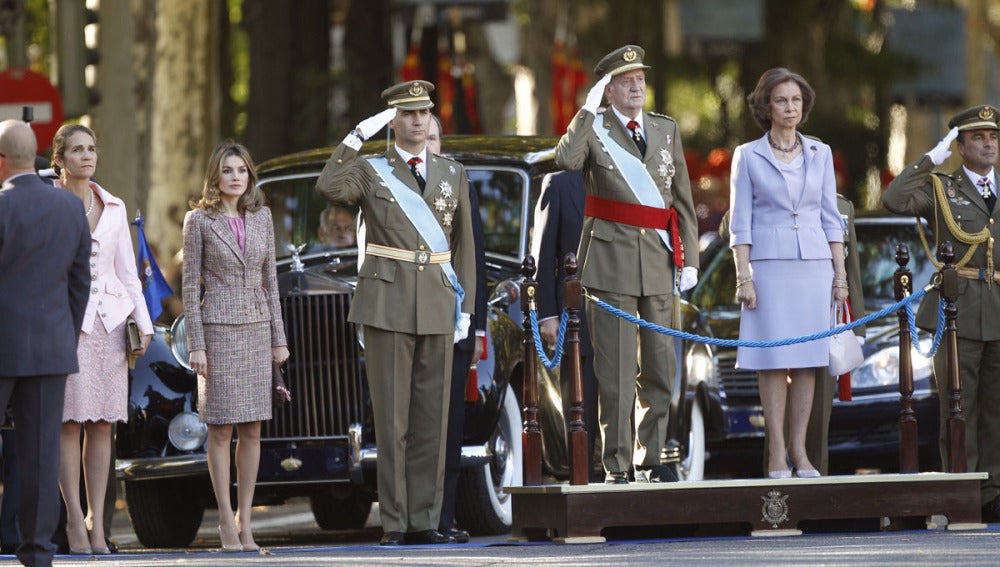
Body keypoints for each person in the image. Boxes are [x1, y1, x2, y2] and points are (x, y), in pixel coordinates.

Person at [315, 80, 476, 545]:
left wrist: (462, 305)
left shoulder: (452, 172)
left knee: (430, 419)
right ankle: (396, 521)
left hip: (438, 301)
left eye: (424, 112)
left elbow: (463, 244)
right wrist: (356, 135)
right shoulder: (371, 169)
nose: (418, 120)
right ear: (393, 121)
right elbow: (328, 186)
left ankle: (425, 519)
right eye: (407, 114)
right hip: (387, 302)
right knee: (393, 421)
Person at [554, 45, 700, 484]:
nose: (636, 86)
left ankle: (651, 458)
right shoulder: (593, 130)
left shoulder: (665, 129)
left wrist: (689, 258)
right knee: (615, 372)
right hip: (610, 260)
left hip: (658, 259)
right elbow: (566, 160)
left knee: (660, 366)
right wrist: (585, 109)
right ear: (608, 88)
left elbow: (684, 203)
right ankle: (616, 464)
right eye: (625, 80)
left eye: (640, 78)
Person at [882, 104, 1000, 520]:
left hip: (998, 308)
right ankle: (960, 489)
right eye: (978, 138)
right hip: (958, 309)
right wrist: (932, 157)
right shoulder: (940, 187)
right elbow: (893, 199)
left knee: (996, 408)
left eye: (993, 137)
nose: (988, 144)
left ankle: (994, 493)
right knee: (959, 406)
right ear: (961, 146)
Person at [729, 68, 847, 479]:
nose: (790, 108)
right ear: (766, 106)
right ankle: (777, 453)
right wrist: (743, 277)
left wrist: (840, 275)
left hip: (814, 265)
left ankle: (801, 452)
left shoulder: (821, 152)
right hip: (768, 267)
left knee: (809, 359)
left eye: (796, 100)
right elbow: (739, 225)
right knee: (774, 361)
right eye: (781, 100)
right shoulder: (747, 154)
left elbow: (832, 219)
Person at [49, 124, 154, 555]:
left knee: (104, 425)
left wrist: (143, 324)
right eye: (77, 150)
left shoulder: (114, 205)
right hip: (66, 323)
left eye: (91, 148)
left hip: (111, 325)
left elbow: (127, 271)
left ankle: (97, 522)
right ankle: (74, 519)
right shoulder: (50, 203)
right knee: (69, 423)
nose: (87, 156)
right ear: (59, 160)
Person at [182, 141, 290, 552]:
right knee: (220, 427)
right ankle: (225, 519)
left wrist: (279, 338)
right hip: (218, 331)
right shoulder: (199, 221)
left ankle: (247, 520)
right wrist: (197, 345)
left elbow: (272, 282)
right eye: (228, 170)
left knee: (253, 427)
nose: (235, 177)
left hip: (257, 329)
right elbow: (190, 287)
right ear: (216, 176)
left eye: (242, 170)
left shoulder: (262, 218)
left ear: (250, 176)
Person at [0, 119, 91, 567]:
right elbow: (80, 283)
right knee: (39, 455)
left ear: (1, 161)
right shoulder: (70, 209)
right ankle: (37, 554)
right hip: (53, 347)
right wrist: (64, 334)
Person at [736, 194, 865, 476]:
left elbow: (850, 266)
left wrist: (857, 326)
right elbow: (733, 228)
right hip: (777, 289)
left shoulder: (841, 205)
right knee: (774, 379)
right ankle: (778, 463)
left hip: (822, 304)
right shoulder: (762, 193)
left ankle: (812, 475)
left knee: (818, 408)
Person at [426, 114, 487, 543]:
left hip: (453, 322)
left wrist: (475, 325)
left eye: (432, 136)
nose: (425, 143)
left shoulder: (457, 181)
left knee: (447, 428)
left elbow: (474, 255)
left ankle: (442, 519)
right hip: (403, 321)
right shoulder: (389, 185)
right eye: (419, 135)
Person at [531, 169, 601, 482]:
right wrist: (547, 313)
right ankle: (582, 487)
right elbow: (543, 254)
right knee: (581, 416)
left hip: (622, 317)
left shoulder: (629, 175)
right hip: (576, 322)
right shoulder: (558, 183)